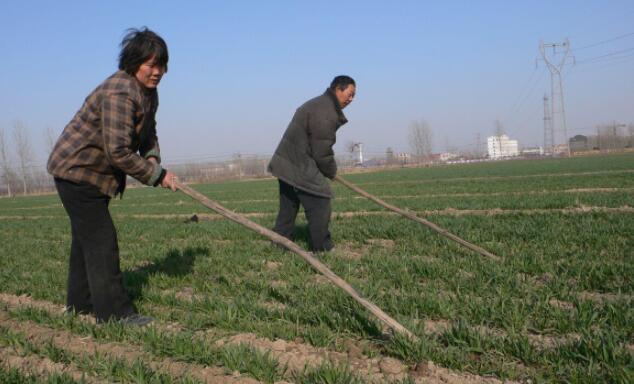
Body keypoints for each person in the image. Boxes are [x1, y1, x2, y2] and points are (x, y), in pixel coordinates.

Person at [47, 28, 178, 326]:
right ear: (134, 63)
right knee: (102, 240)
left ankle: (80, 305)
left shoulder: (147, 92)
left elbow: (148, 132)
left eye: (162, 65)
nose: (158, 72)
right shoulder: (120, 92)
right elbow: (118, 151)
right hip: (77, 171)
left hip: (90, 174)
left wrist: (153, 157)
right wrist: (158, 176)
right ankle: (115, 314)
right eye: (151, 65)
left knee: (86, 240)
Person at [268, 75, 356, 252]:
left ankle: (280, 243)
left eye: (354, 96)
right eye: (350, 93)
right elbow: (321, 151)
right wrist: (331, 171)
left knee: (289, 206)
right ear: (338, 89)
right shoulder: (326, 111)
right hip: (299, 163)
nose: (351, 99)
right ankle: (322, 247)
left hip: (286, 162)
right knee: (320, 201)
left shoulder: (320, 104)